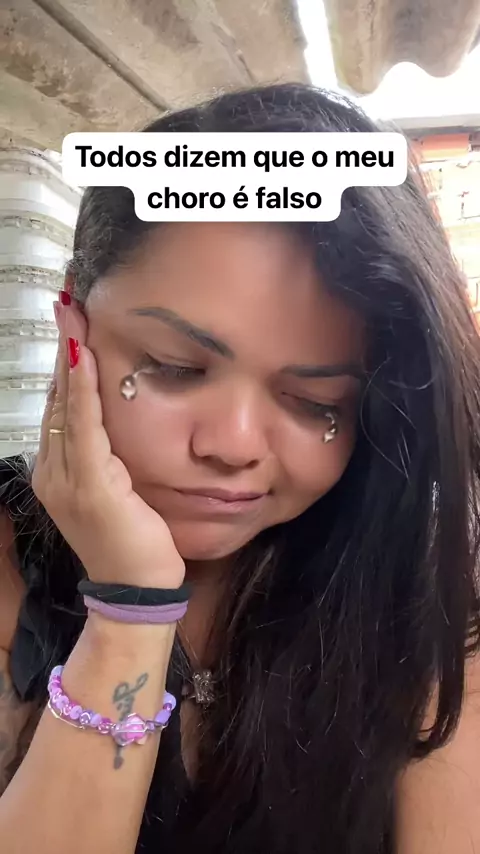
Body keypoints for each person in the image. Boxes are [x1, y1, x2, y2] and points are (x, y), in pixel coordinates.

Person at [0, 83, 479, 854]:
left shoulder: (425, 600)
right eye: (173, 366)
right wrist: (129, 610)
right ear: (72, 324)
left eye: (315, 401)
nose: (233, 444)